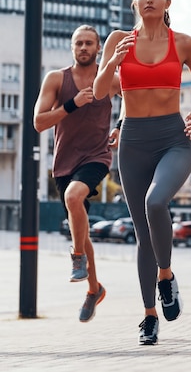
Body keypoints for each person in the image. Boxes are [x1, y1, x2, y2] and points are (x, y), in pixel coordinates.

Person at [93, 0, 191, 345]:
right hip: (133, 143)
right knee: (142, 234)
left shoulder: (185, 43)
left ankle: (166, 275)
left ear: (167, 3)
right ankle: (149, 316)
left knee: (155, 202)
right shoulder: (117, 40)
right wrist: (112, 60)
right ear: (134, 2)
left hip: (174, 138)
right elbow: (98, 91)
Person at [34, 25, 120, 323]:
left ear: (98, 48)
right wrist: (72, 104)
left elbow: (137, 101)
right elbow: (39, 122)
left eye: (89, 43)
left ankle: (77, 257)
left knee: (75, 196)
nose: (83, 48)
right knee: (81, 231)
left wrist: (120, 126)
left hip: (96, 157)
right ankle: (94, 289)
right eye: (78, 43)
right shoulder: (57, 79)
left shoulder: (108, 79)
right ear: (72, 48)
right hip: (64, 163)